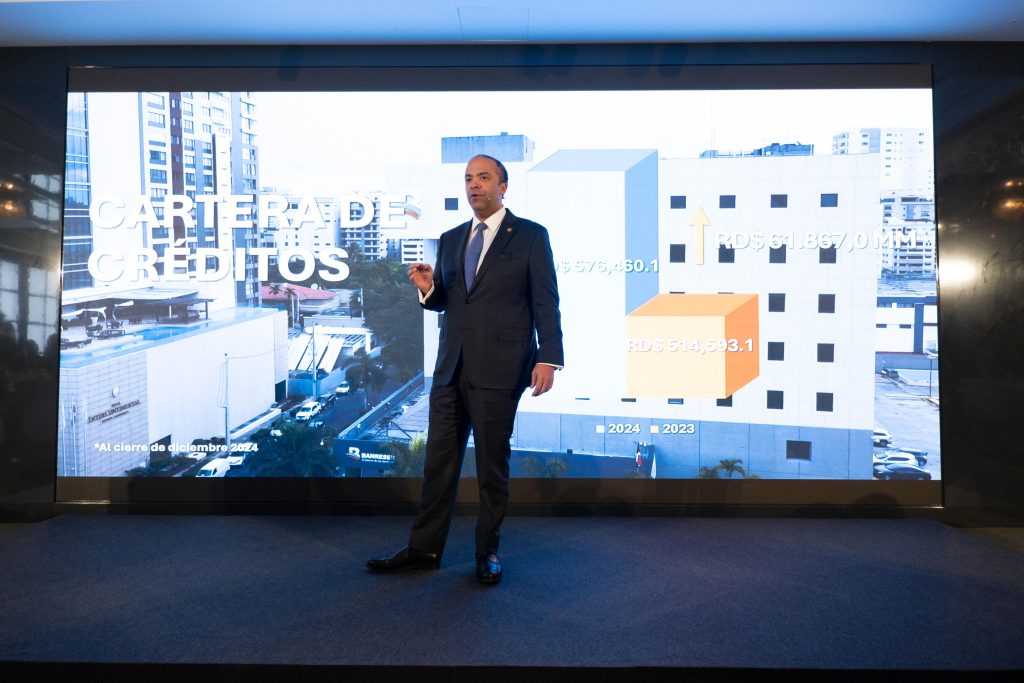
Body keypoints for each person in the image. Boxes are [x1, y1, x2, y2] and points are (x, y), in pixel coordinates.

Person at [367, 154, 564, 585]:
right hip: (450, 370)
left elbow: (545, 300)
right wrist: (428, 289)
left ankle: (486, 552)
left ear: (503, 186)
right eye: (469, 178)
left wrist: (548, 357)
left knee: (492, 468)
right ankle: (424, 550)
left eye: (484, 177)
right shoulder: (452, 237)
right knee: (438, 465)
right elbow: (451, 301)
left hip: (502, 369)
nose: (474, 185)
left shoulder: (531, 236)